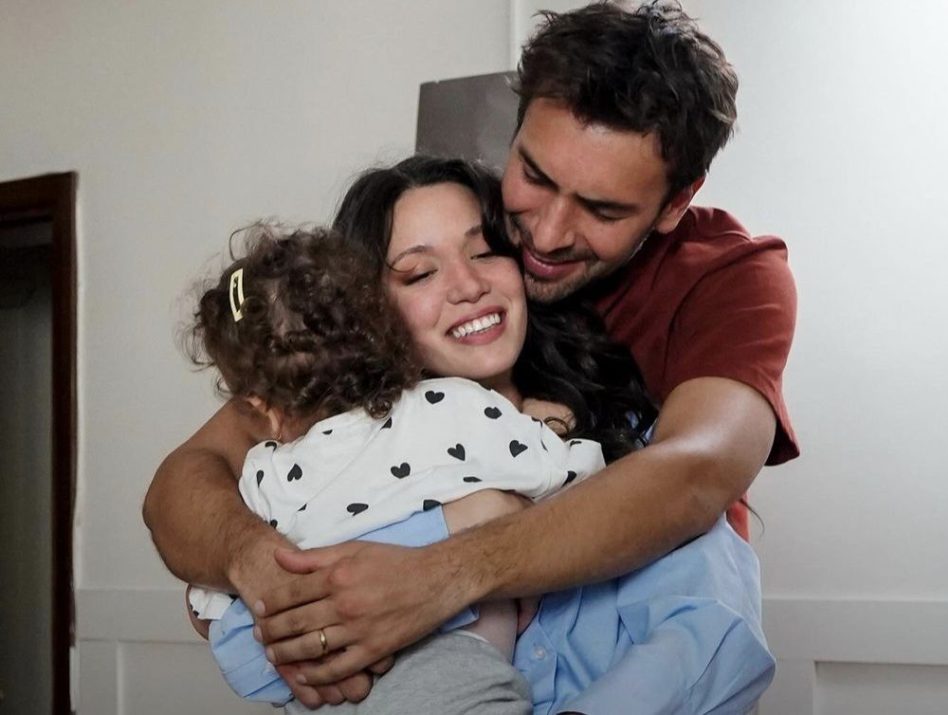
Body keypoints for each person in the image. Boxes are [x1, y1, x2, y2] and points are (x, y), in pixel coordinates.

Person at [144, 2, 797, 705]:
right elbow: (190, 481)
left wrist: (448, 563)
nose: (545, 235)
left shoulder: (724, 284)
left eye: (602, 210)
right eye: (534, 177)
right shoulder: (358, 399)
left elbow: (694, 477)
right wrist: (257, 567)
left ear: (675, 202)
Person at [182, 157, 773, 713]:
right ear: (363, 313)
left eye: (486, 251)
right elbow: (227, 614)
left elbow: (714, 636)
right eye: (419, 273)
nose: (467, 286)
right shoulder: (322, 461)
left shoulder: (633, 452)